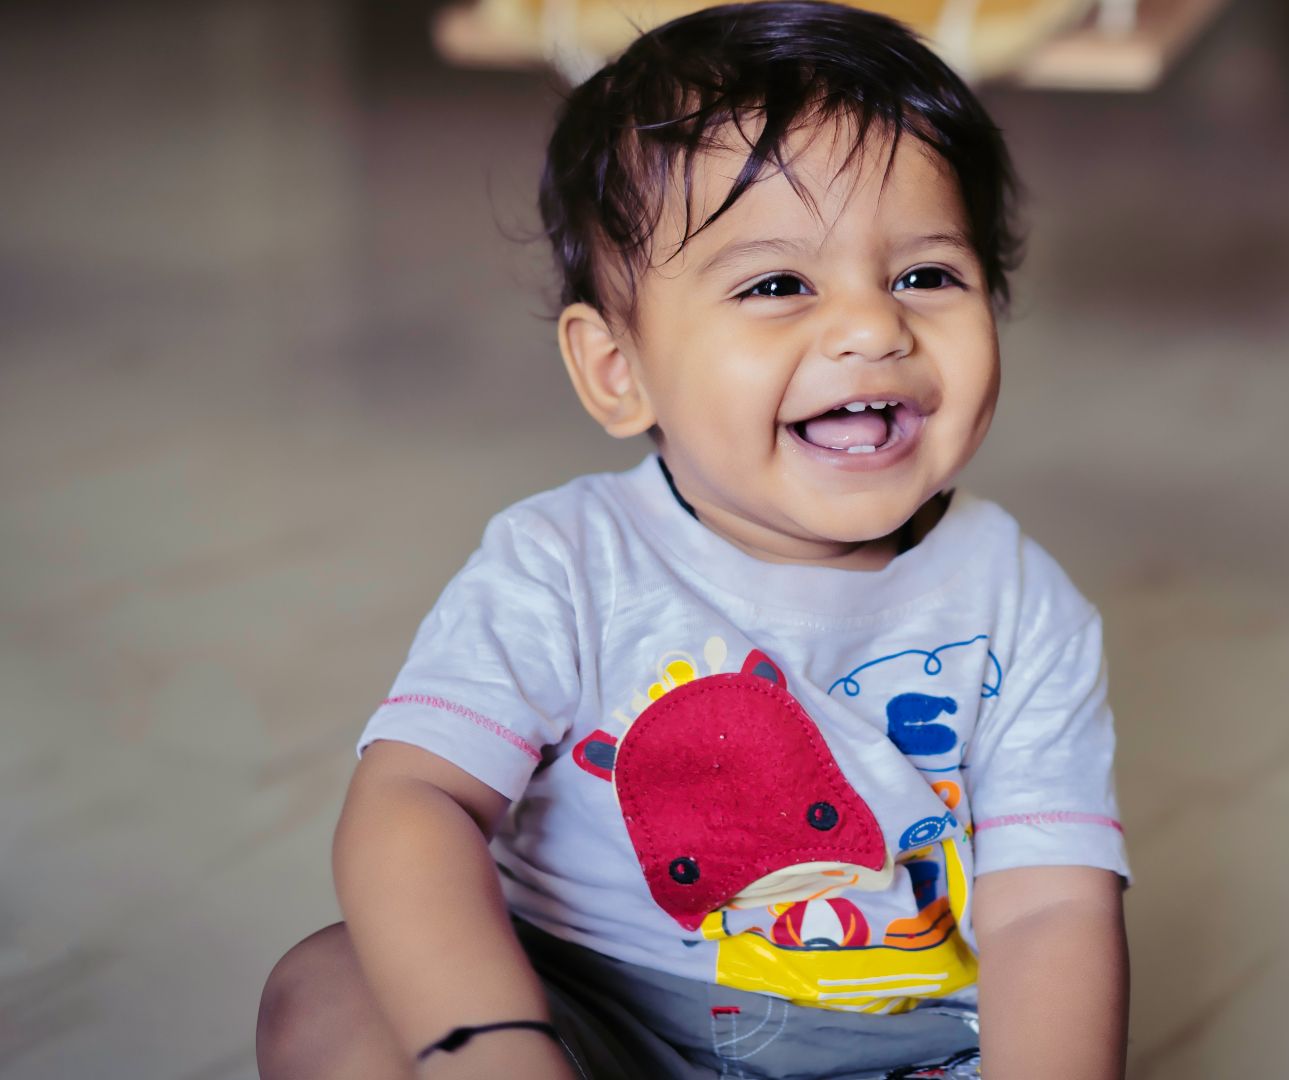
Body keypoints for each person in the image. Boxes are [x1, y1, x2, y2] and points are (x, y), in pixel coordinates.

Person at [255, 3, 1129, 1077]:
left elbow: (1050, 908)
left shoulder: (1021, 602)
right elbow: (416, 798)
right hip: (586, 1014)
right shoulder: (563, 564)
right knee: (328, 990)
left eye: (925, 276)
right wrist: (490, 1040)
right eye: (778, 285)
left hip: (896, 1044)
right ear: (617, 371)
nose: (874, 326)